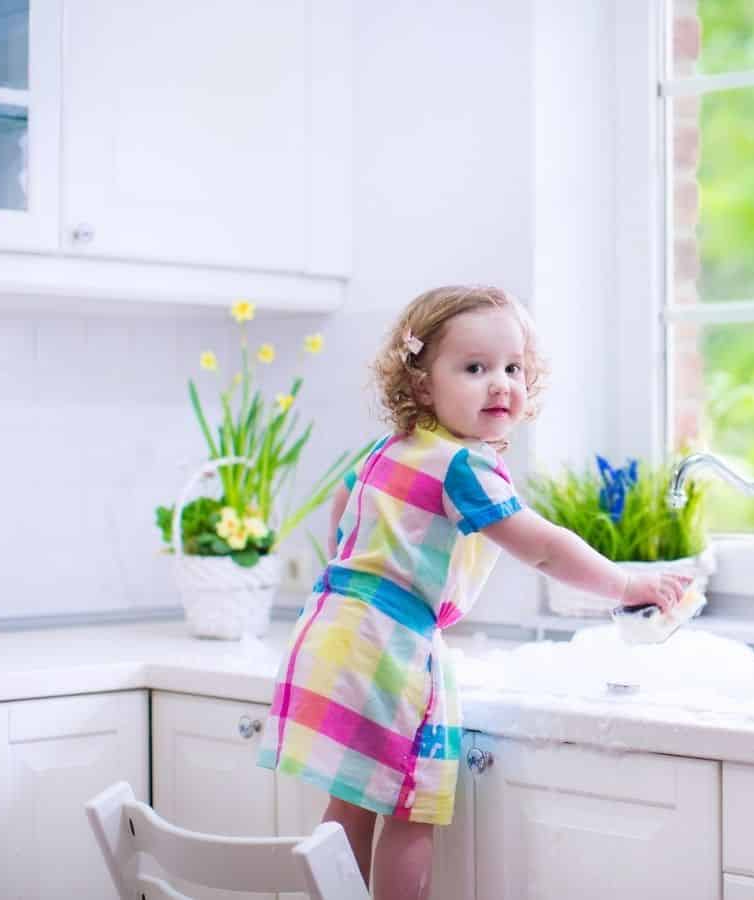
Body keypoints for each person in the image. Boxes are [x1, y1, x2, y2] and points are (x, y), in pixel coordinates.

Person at [256, 284, 692, 900]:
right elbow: (542, 545)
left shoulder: (390, 449)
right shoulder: (464, 466)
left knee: (349, 804)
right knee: (411, 811)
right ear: (422, 385)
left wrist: (365, 580)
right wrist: (627, 582)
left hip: (329, 631)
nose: (501, 384)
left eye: (513, 367)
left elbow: (340, 502)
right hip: (387, 648)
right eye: (475, 368)